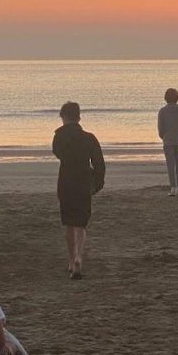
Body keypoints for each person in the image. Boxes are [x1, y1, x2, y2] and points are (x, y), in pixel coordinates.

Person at [52, 101, 105, 279]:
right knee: (81, 224)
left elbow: (57, 152)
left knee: (68, 223)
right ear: (79, 117)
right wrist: (97, 182)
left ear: (63, 117)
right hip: (83, 181)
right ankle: (78, 257)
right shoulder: (89, 138)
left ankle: (70, 258)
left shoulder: (59, 136)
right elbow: (99, 163)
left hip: (66, 181)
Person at [157, 88, 178, 196]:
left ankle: (173, 187)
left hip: (168, 140)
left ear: (166, 98)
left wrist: (163, 137)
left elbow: (161, 128)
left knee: (170, 164)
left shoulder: (162, 111)